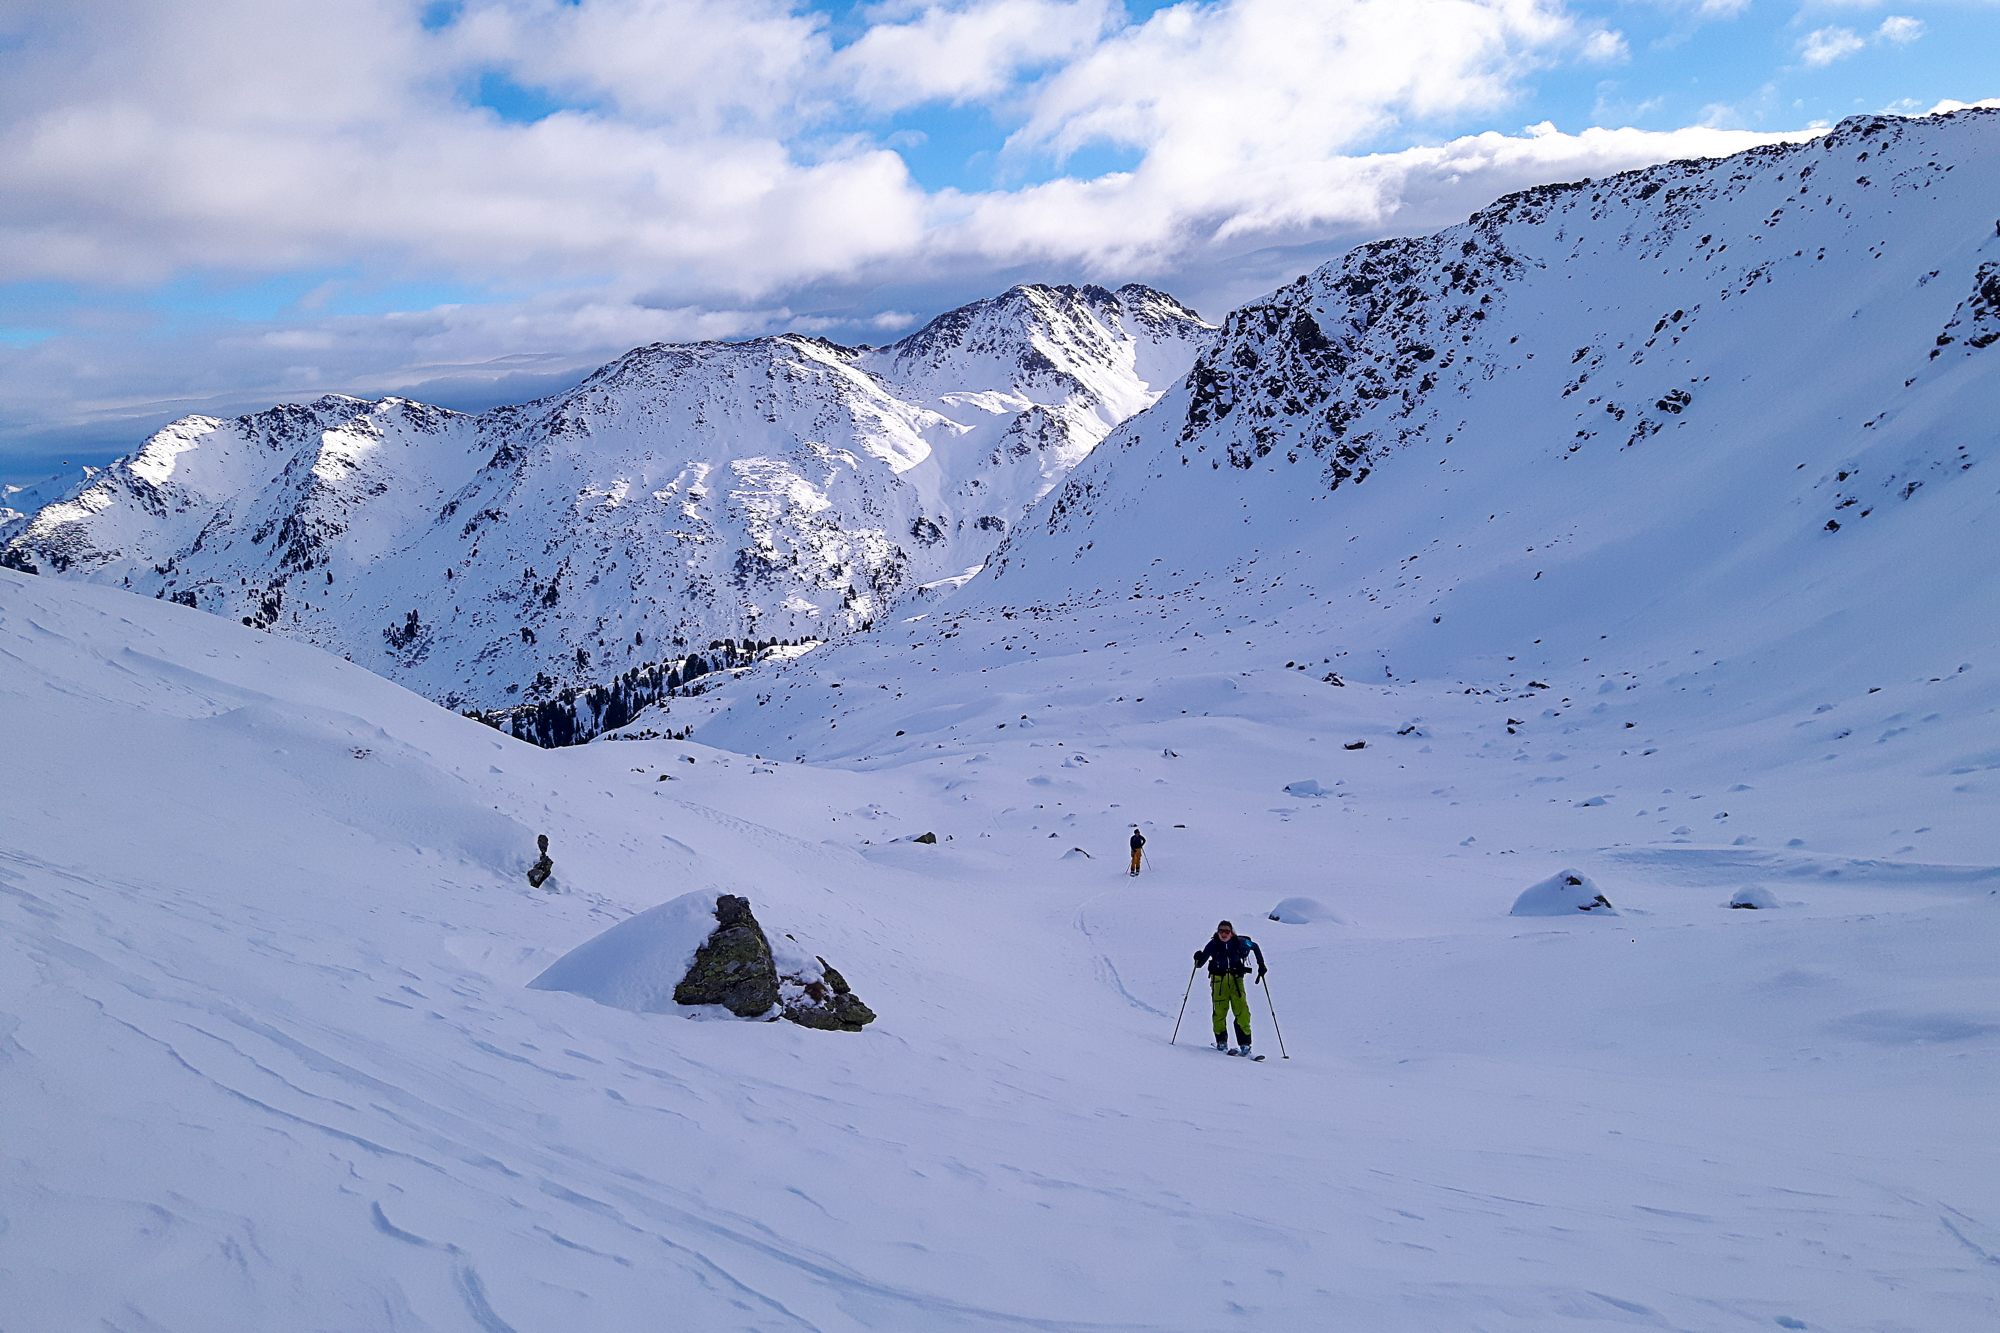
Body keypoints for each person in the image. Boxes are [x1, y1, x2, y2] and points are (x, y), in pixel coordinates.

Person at [1193, 920, 1265, 1055]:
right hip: (1218, 981)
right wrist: (1198, 958)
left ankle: (1245, 1044)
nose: (1224, 934)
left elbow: (1255, 946)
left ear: (1231, 933)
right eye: (1221, 931)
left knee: (1242, 1010)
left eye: (1227, 931)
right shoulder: (1213, 944)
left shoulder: (1241, 942)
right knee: (1220, 1011)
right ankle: (1221, 1041)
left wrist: (1261, 965)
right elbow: (1200, 964)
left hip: (1236, 980)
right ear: (1217, 932)